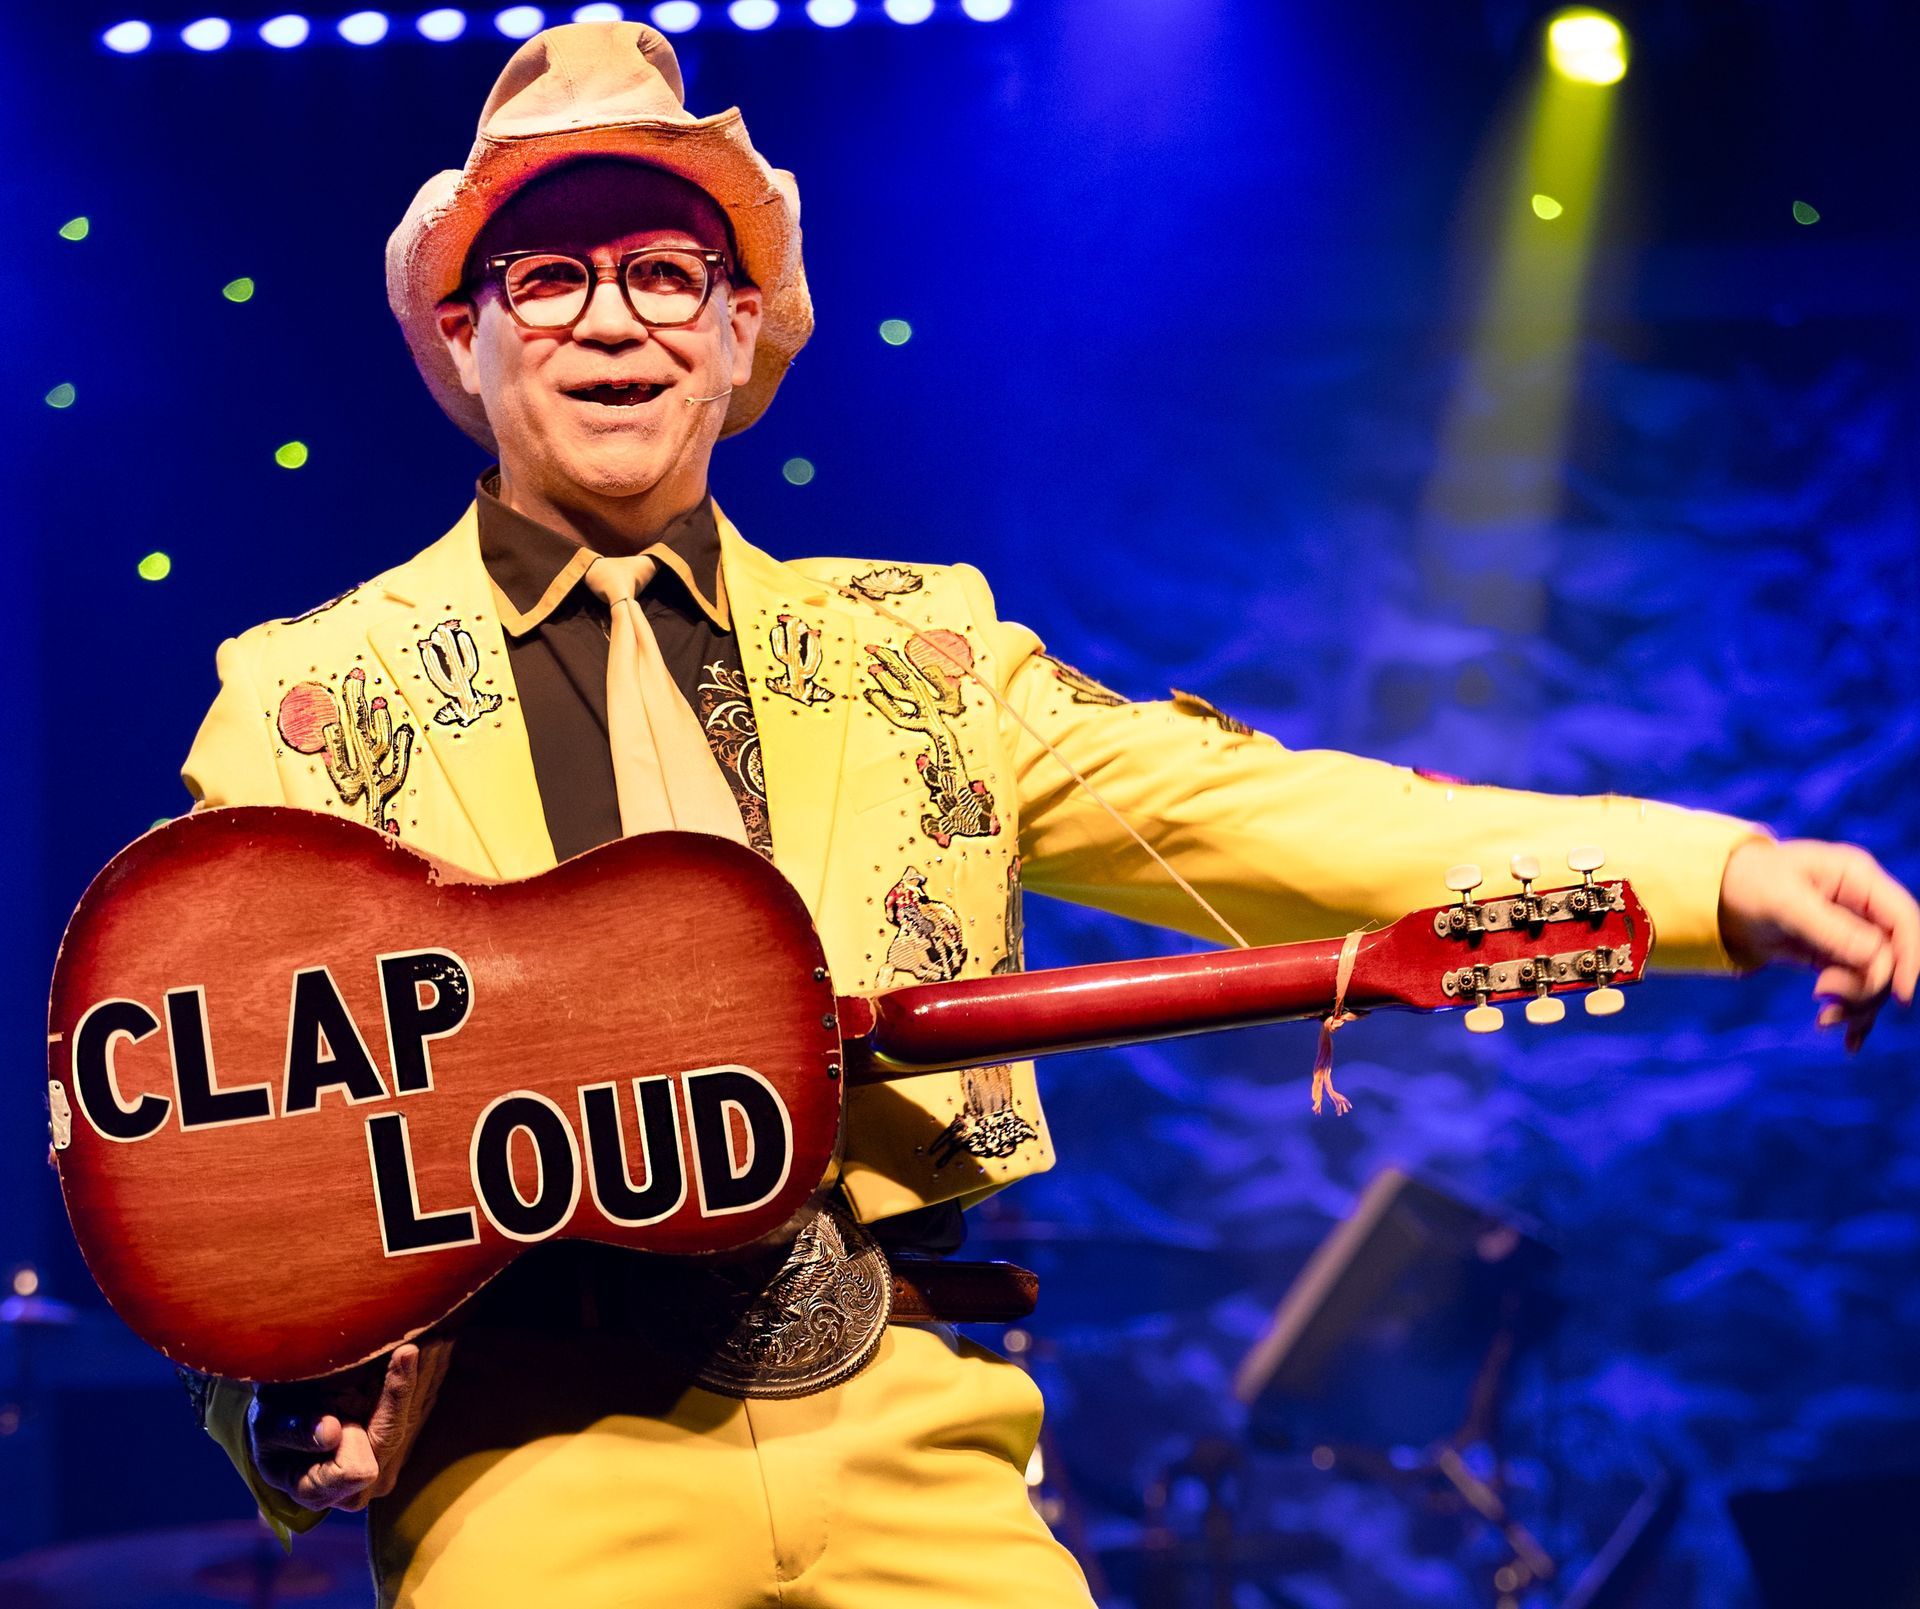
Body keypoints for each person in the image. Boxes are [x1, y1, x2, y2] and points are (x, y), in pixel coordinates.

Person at [174, 22, 1917, 1608]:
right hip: (536, 1467)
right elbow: (197, 1127)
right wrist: (281, 1393)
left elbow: (1285, 817)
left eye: (662, 271)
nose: (613, 318)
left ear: (737, 333)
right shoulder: (313, 700)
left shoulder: (925, 653)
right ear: (464, 334)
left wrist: (1719, 877)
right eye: (548, 277)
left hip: (908, 1431)